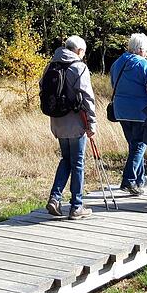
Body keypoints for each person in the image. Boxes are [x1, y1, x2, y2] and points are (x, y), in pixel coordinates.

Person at [44, 36, 96, 220]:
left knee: (66, 159)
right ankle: (76, 206)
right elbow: (88, 97)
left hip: (57, 121)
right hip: (76, 122)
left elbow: (43, 89)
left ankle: (55, 198)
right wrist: (92, 123)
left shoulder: (50, 65)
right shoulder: (79, 67)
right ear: (79, 51)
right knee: (78, 163)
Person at [110, 33, 147, 195]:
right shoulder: (145, 65)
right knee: (139, 146)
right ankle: (128, 180)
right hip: (140, 111)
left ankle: (140, 178)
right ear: (141, 50)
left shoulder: (117, 63)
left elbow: (113, 84)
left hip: (121, 110)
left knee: (134, 145)